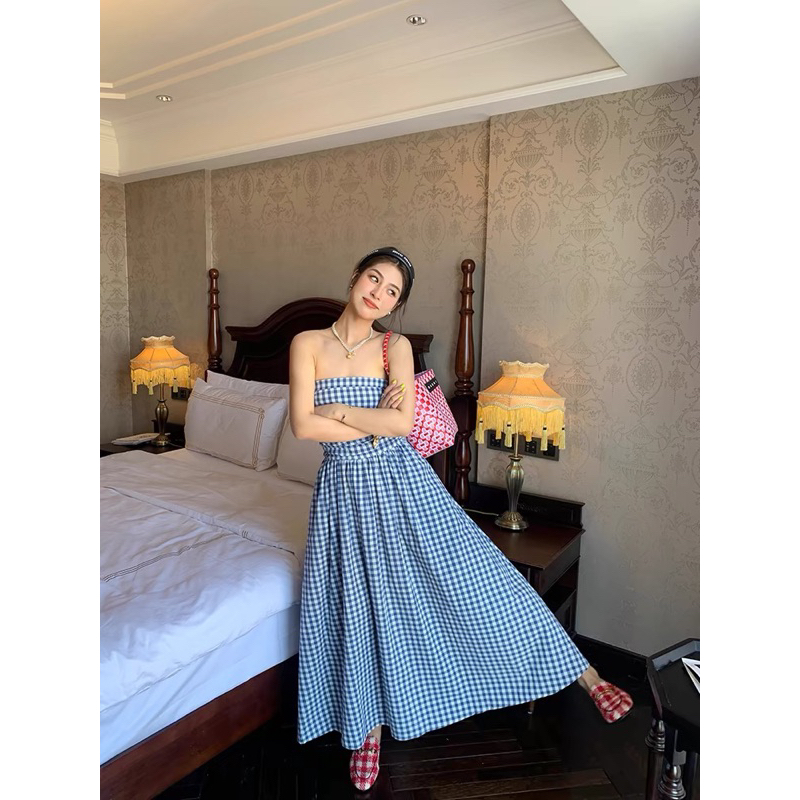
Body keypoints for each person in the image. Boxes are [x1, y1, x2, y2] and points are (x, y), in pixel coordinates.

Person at [288, 247, 632, 792]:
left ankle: (586, 676)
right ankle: (367, 729)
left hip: (404, 486)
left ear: (396, 305)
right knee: (359, 606)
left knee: (485, 579)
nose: (378, 293)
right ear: (355, 276)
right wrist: (372, 419)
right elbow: (303, 428)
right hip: (342, 496)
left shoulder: (395, 347)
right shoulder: (306, 343)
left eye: (392, 291)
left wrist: (342, 411)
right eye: (373, 279)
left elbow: (401, 426)